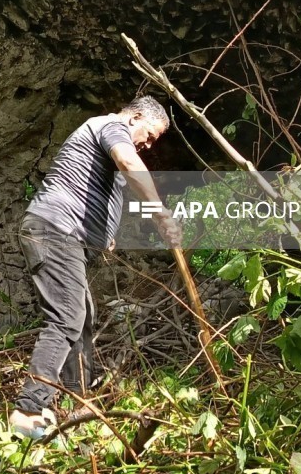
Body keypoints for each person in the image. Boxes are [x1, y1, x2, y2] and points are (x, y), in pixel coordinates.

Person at [10, 96, 181, 439]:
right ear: (135, 117)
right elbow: (128, 162)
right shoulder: (112, 126)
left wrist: (103, 235)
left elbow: (91, 188)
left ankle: (75, 401)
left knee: (83, 314)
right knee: (67, 317)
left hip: (66, 235)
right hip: (55, 230)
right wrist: (160, 212)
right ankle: (27, 410)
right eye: (150, 135)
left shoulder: (106, 134)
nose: (149, 145)